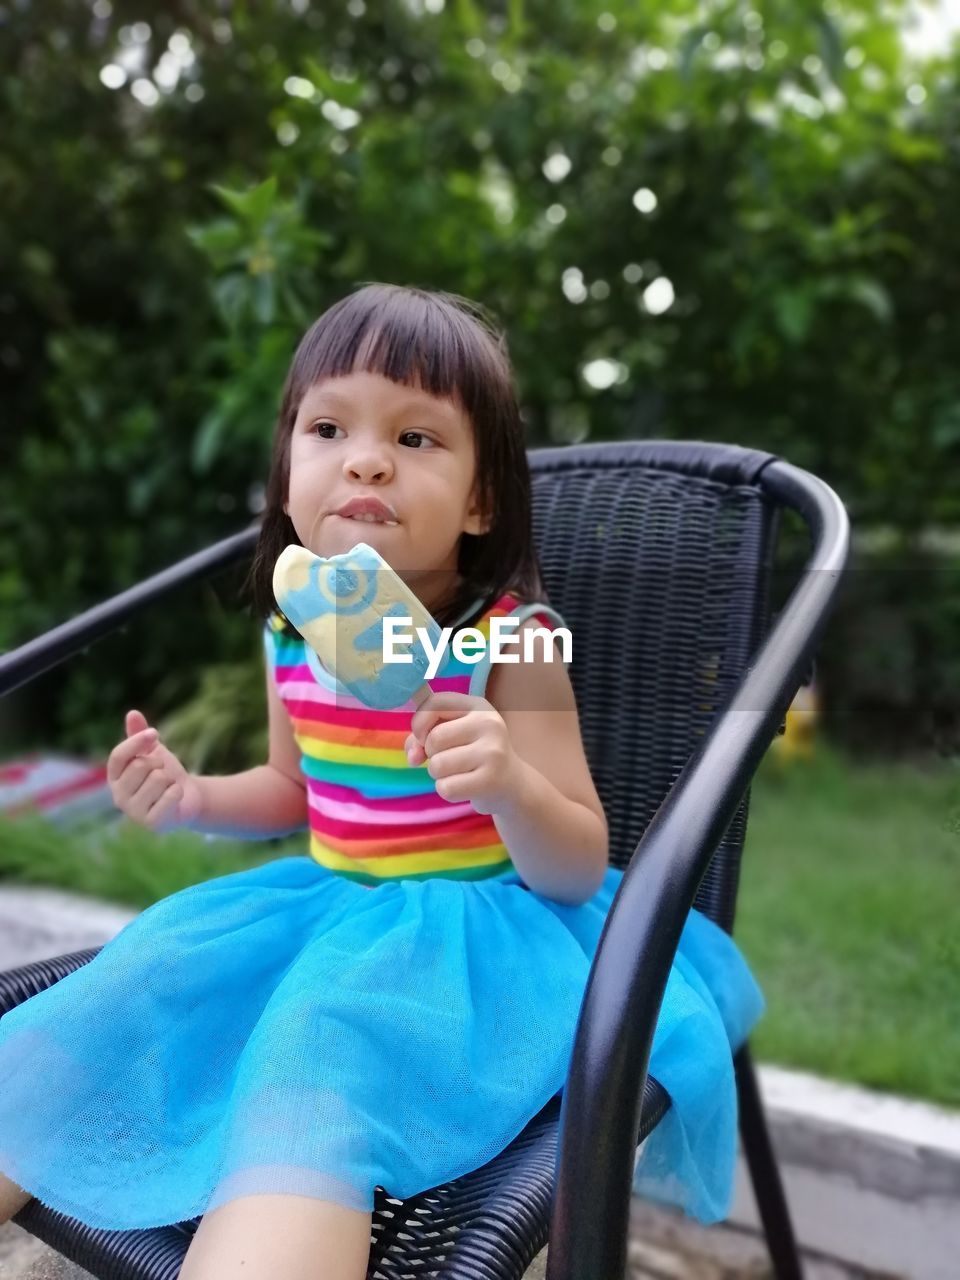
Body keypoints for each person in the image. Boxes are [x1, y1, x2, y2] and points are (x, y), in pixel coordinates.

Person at [0, 283, 764, 1280]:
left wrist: (508, 783)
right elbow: (289, 792)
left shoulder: (508, 644)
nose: (365, 457)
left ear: (481, 500)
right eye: (329, 427)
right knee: (133, 985)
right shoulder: (295, 633)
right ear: (286, 478)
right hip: (317, 902)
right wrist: (192, 796)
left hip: (462, 937)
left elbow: (577, 860)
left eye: (416, 439)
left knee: (323, 1046)